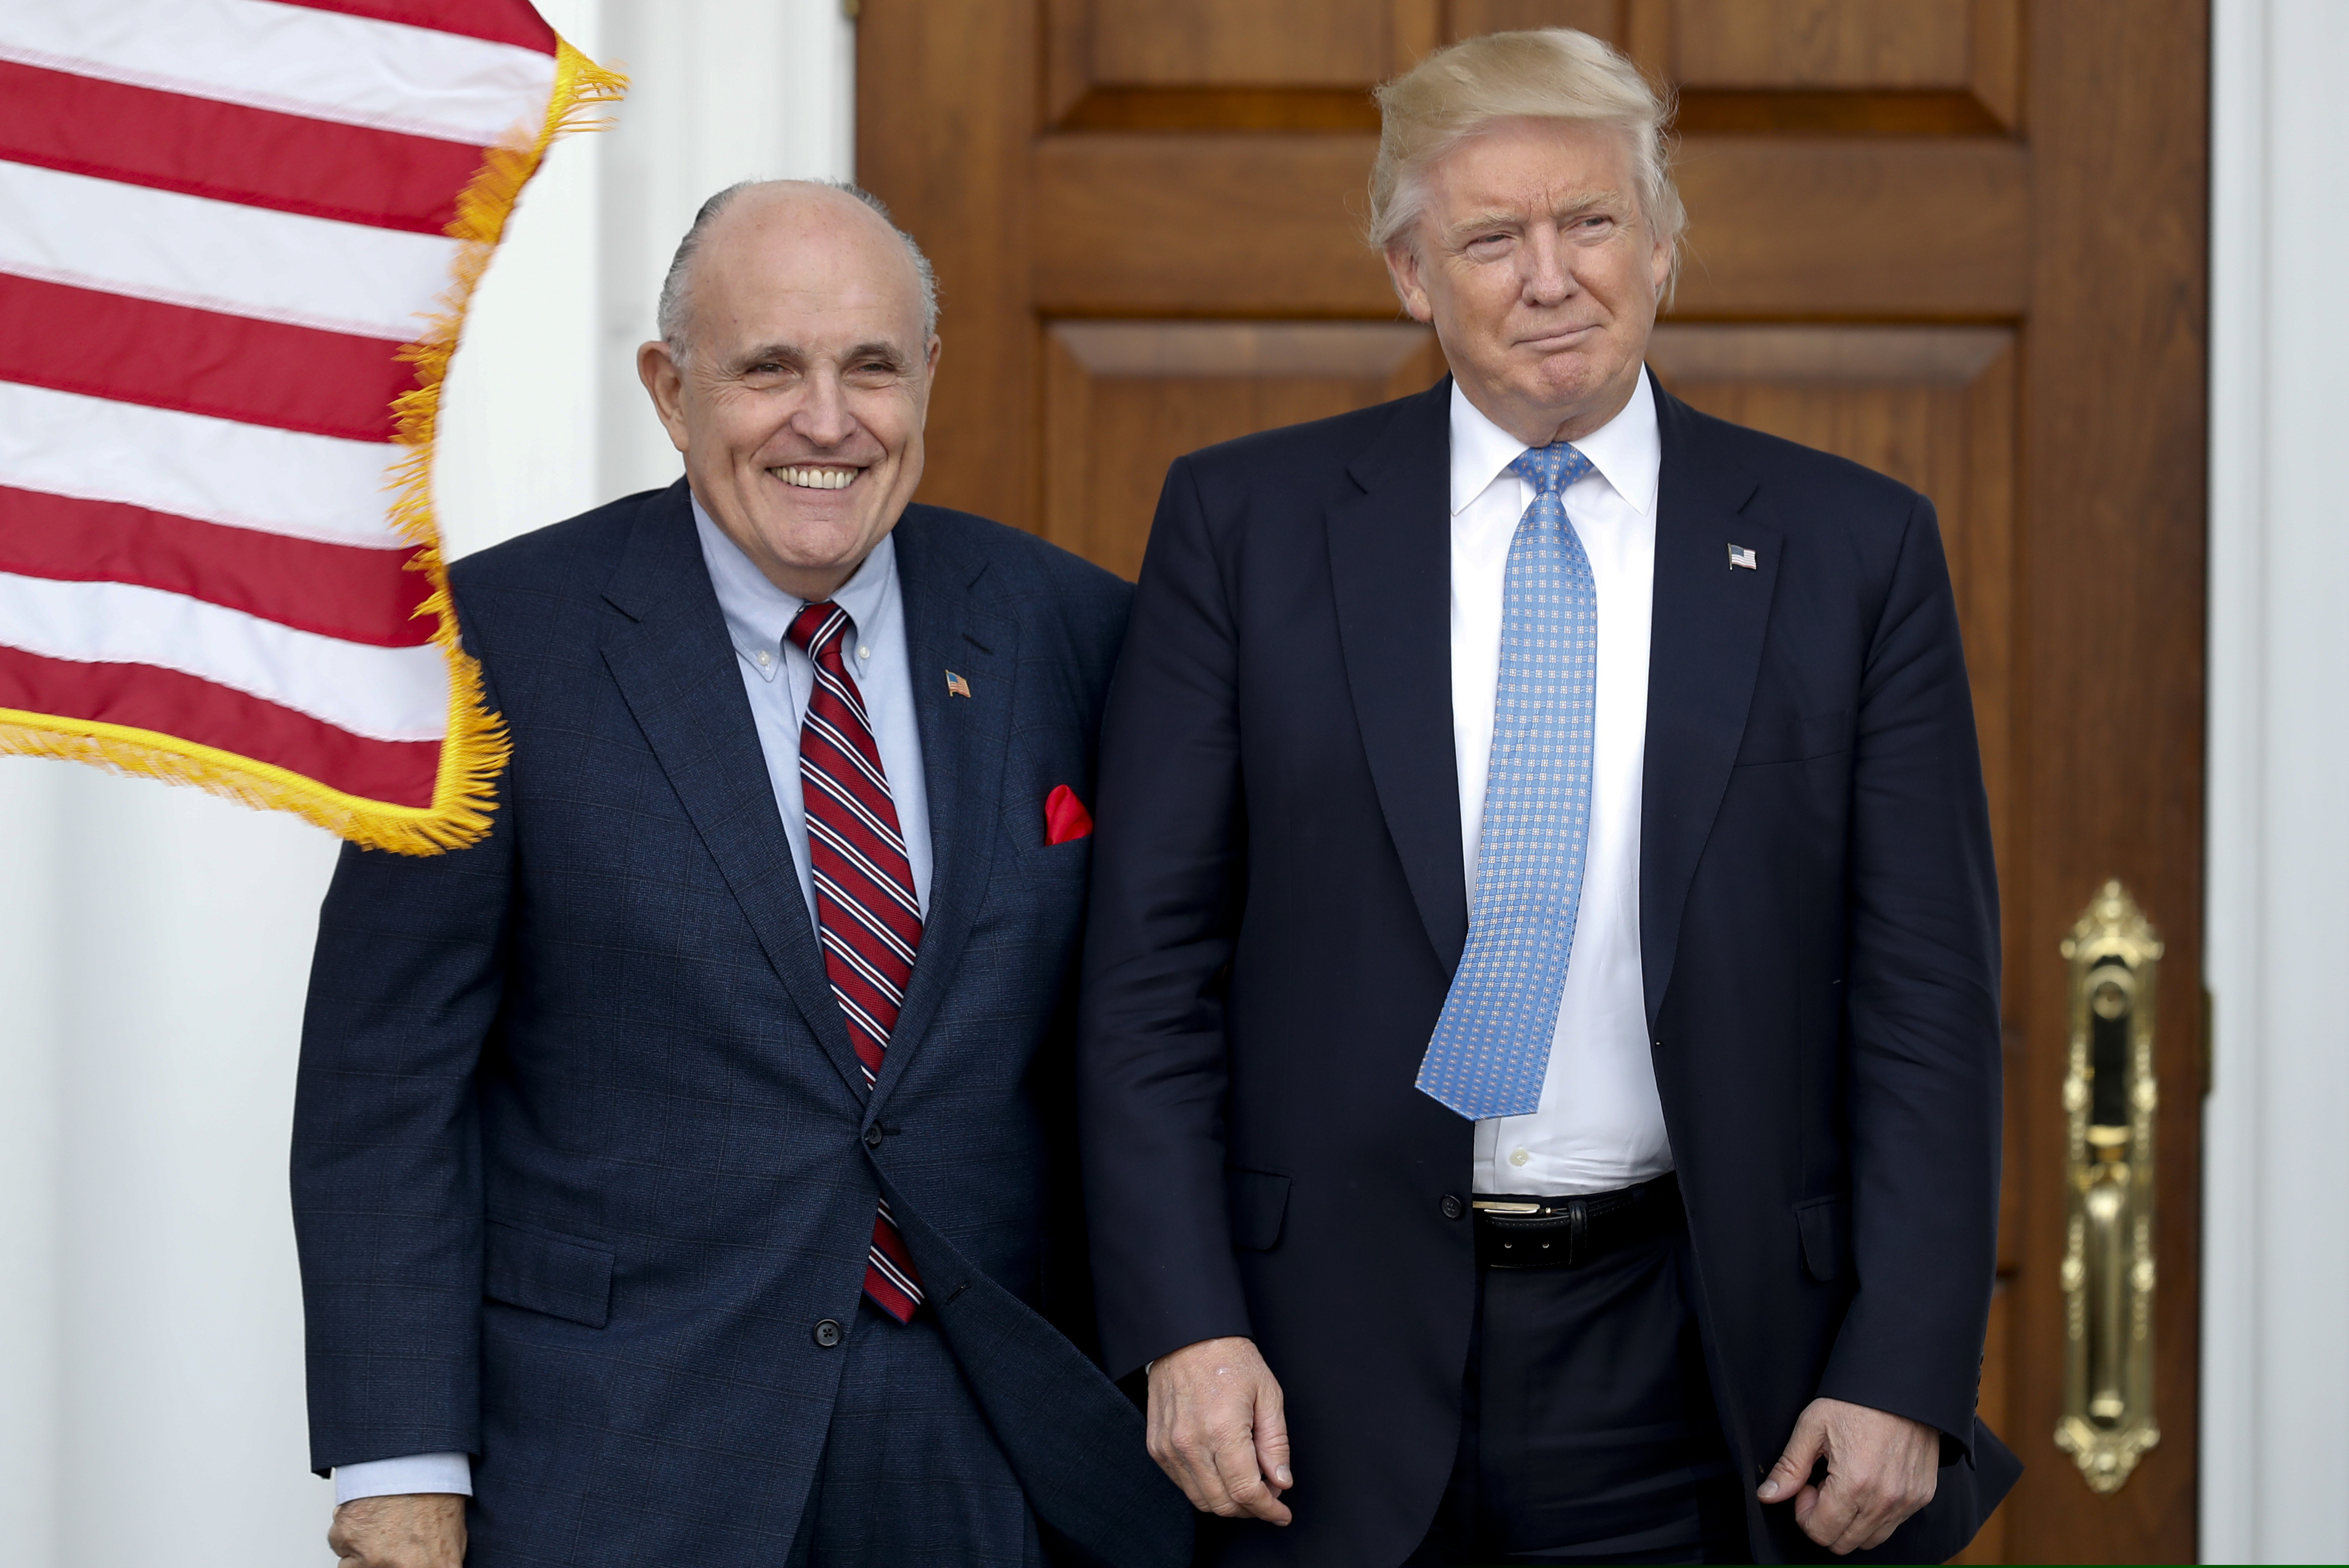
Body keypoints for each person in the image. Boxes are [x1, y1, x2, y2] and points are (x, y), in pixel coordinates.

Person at [1077, 29, 2020, 1567]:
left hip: (1698, 1363)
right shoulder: (1244, 526)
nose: (1550, 278)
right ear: (1411, 275)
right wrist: (1183, 1324)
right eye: (1490, 239)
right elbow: (1147, 974)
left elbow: (1927, 995)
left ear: (1662, 246)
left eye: (1590, 222)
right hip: (1313, 1365)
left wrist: (1904, 1366)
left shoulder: (1855, 550)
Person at [294, 179, 1188, 1568]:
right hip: (618, 1451)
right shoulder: (490, 648)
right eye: (770, 368)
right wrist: (401, 1467)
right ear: (670, 389)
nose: (827, 421)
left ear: (927, 375)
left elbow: (1164, 1023)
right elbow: (386, 1085)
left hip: (992, 1444)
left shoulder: (1076, 629)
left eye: (871, 367)